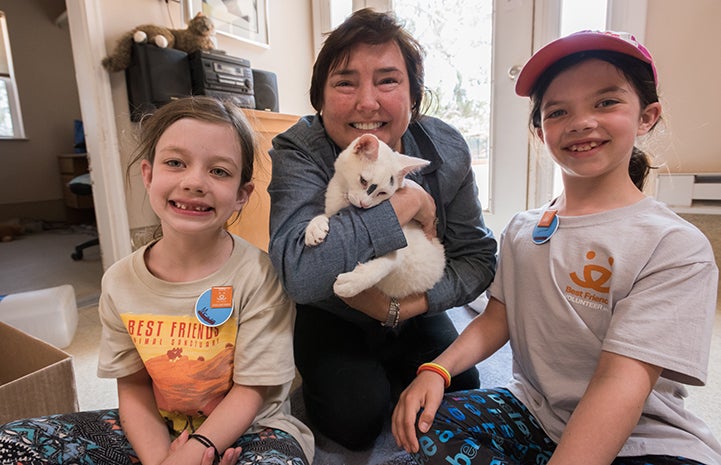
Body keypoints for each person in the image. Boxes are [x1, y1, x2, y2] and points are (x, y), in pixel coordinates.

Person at [391, 30, 721, 465]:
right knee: (425, 423)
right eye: (558, 111)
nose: (581, 121)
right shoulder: (522, 230)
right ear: (540, 131)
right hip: (535, 415)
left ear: (647, 116)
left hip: (641, 439)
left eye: (606, 102)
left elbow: (619, 385)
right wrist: (437, 370)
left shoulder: (675, 246)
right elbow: (497, 318)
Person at [0, 96, 314, 465]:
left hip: (252, 431)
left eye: (219, 171)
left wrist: (198, 450)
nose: (195, 181)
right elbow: (133, 387)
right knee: (11, 442)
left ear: (242, 195)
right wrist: (162, 460)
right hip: (156, 429)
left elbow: (252, 391)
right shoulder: (119, 282)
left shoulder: (260, 274)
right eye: (176, 163)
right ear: (148, 175)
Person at [266, 8, 497, 450]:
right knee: (354, 422)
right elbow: (299, 273)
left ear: (414, 95)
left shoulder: (444, 149)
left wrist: (406, 309)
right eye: (345, 82)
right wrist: (405, 204)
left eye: (388, 80)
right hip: (332, 309)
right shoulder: (298, 150)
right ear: (319, 98)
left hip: (413, 298)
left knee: (460, 392)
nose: (366, 102)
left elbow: (479, 258)